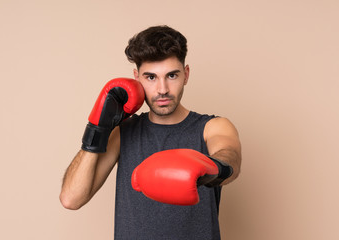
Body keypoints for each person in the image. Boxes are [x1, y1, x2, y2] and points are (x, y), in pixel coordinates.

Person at [60, 25, 242, 240]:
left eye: (172, 75)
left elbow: (231, 158)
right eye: (151, 77)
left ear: (186, 74)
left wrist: (209, 168)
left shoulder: (212, 127)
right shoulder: (123, 132)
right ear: (137, 78)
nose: (162, 89)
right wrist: (98, 129)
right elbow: (71, 199)